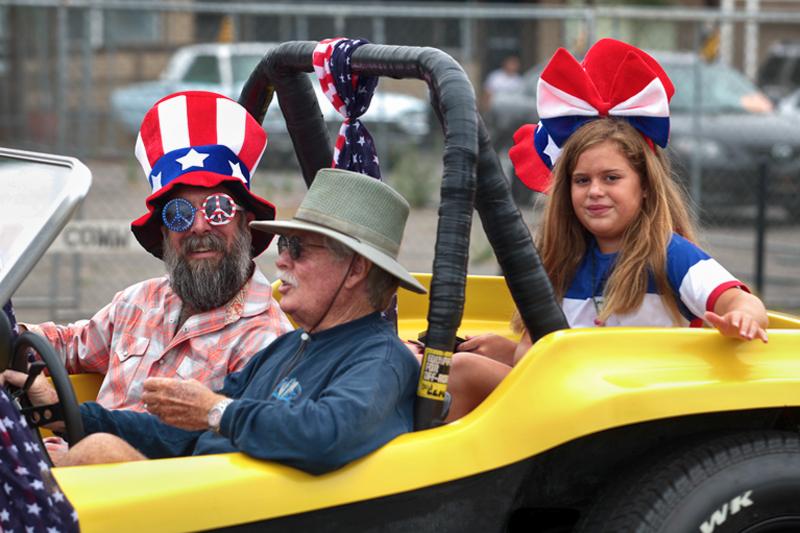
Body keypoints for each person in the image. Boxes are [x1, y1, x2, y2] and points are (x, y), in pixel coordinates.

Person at [5, 168, 427, 475]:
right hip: (205, 498)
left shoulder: (381, 359)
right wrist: (66, 413)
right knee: (92, 448)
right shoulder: (293, 347)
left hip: (239, 514)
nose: (279, 258)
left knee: (99, 455)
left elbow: (327, 435)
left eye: (298, 248)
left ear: (354, 271)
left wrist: (216, 412)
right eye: (284, 244)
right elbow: (179, 432)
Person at [445, 39, 769, 421]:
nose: (595, 191)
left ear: (645, 185)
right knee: (452, 364)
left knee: (464, 374)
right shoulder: (561, 261)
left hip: (633, 416)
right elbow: (549, 350)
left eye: (611, 178)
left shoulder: (668, 254)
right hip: (576, 406)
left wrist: (742, 318)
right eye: (582, 181)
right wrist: (508, 349)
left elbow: (737, 299)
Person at [19, 91, 293, 412]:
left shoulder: (267, 341)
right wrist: (11, 334)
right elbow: (67, 345)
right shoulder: (138, 302)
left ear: (246, 223)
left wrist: (66, 418)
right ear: (164, 232)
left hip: (128, 459)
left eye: (219, 208)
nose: (199, 226)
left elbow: (205, 446)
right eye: (179, 213)